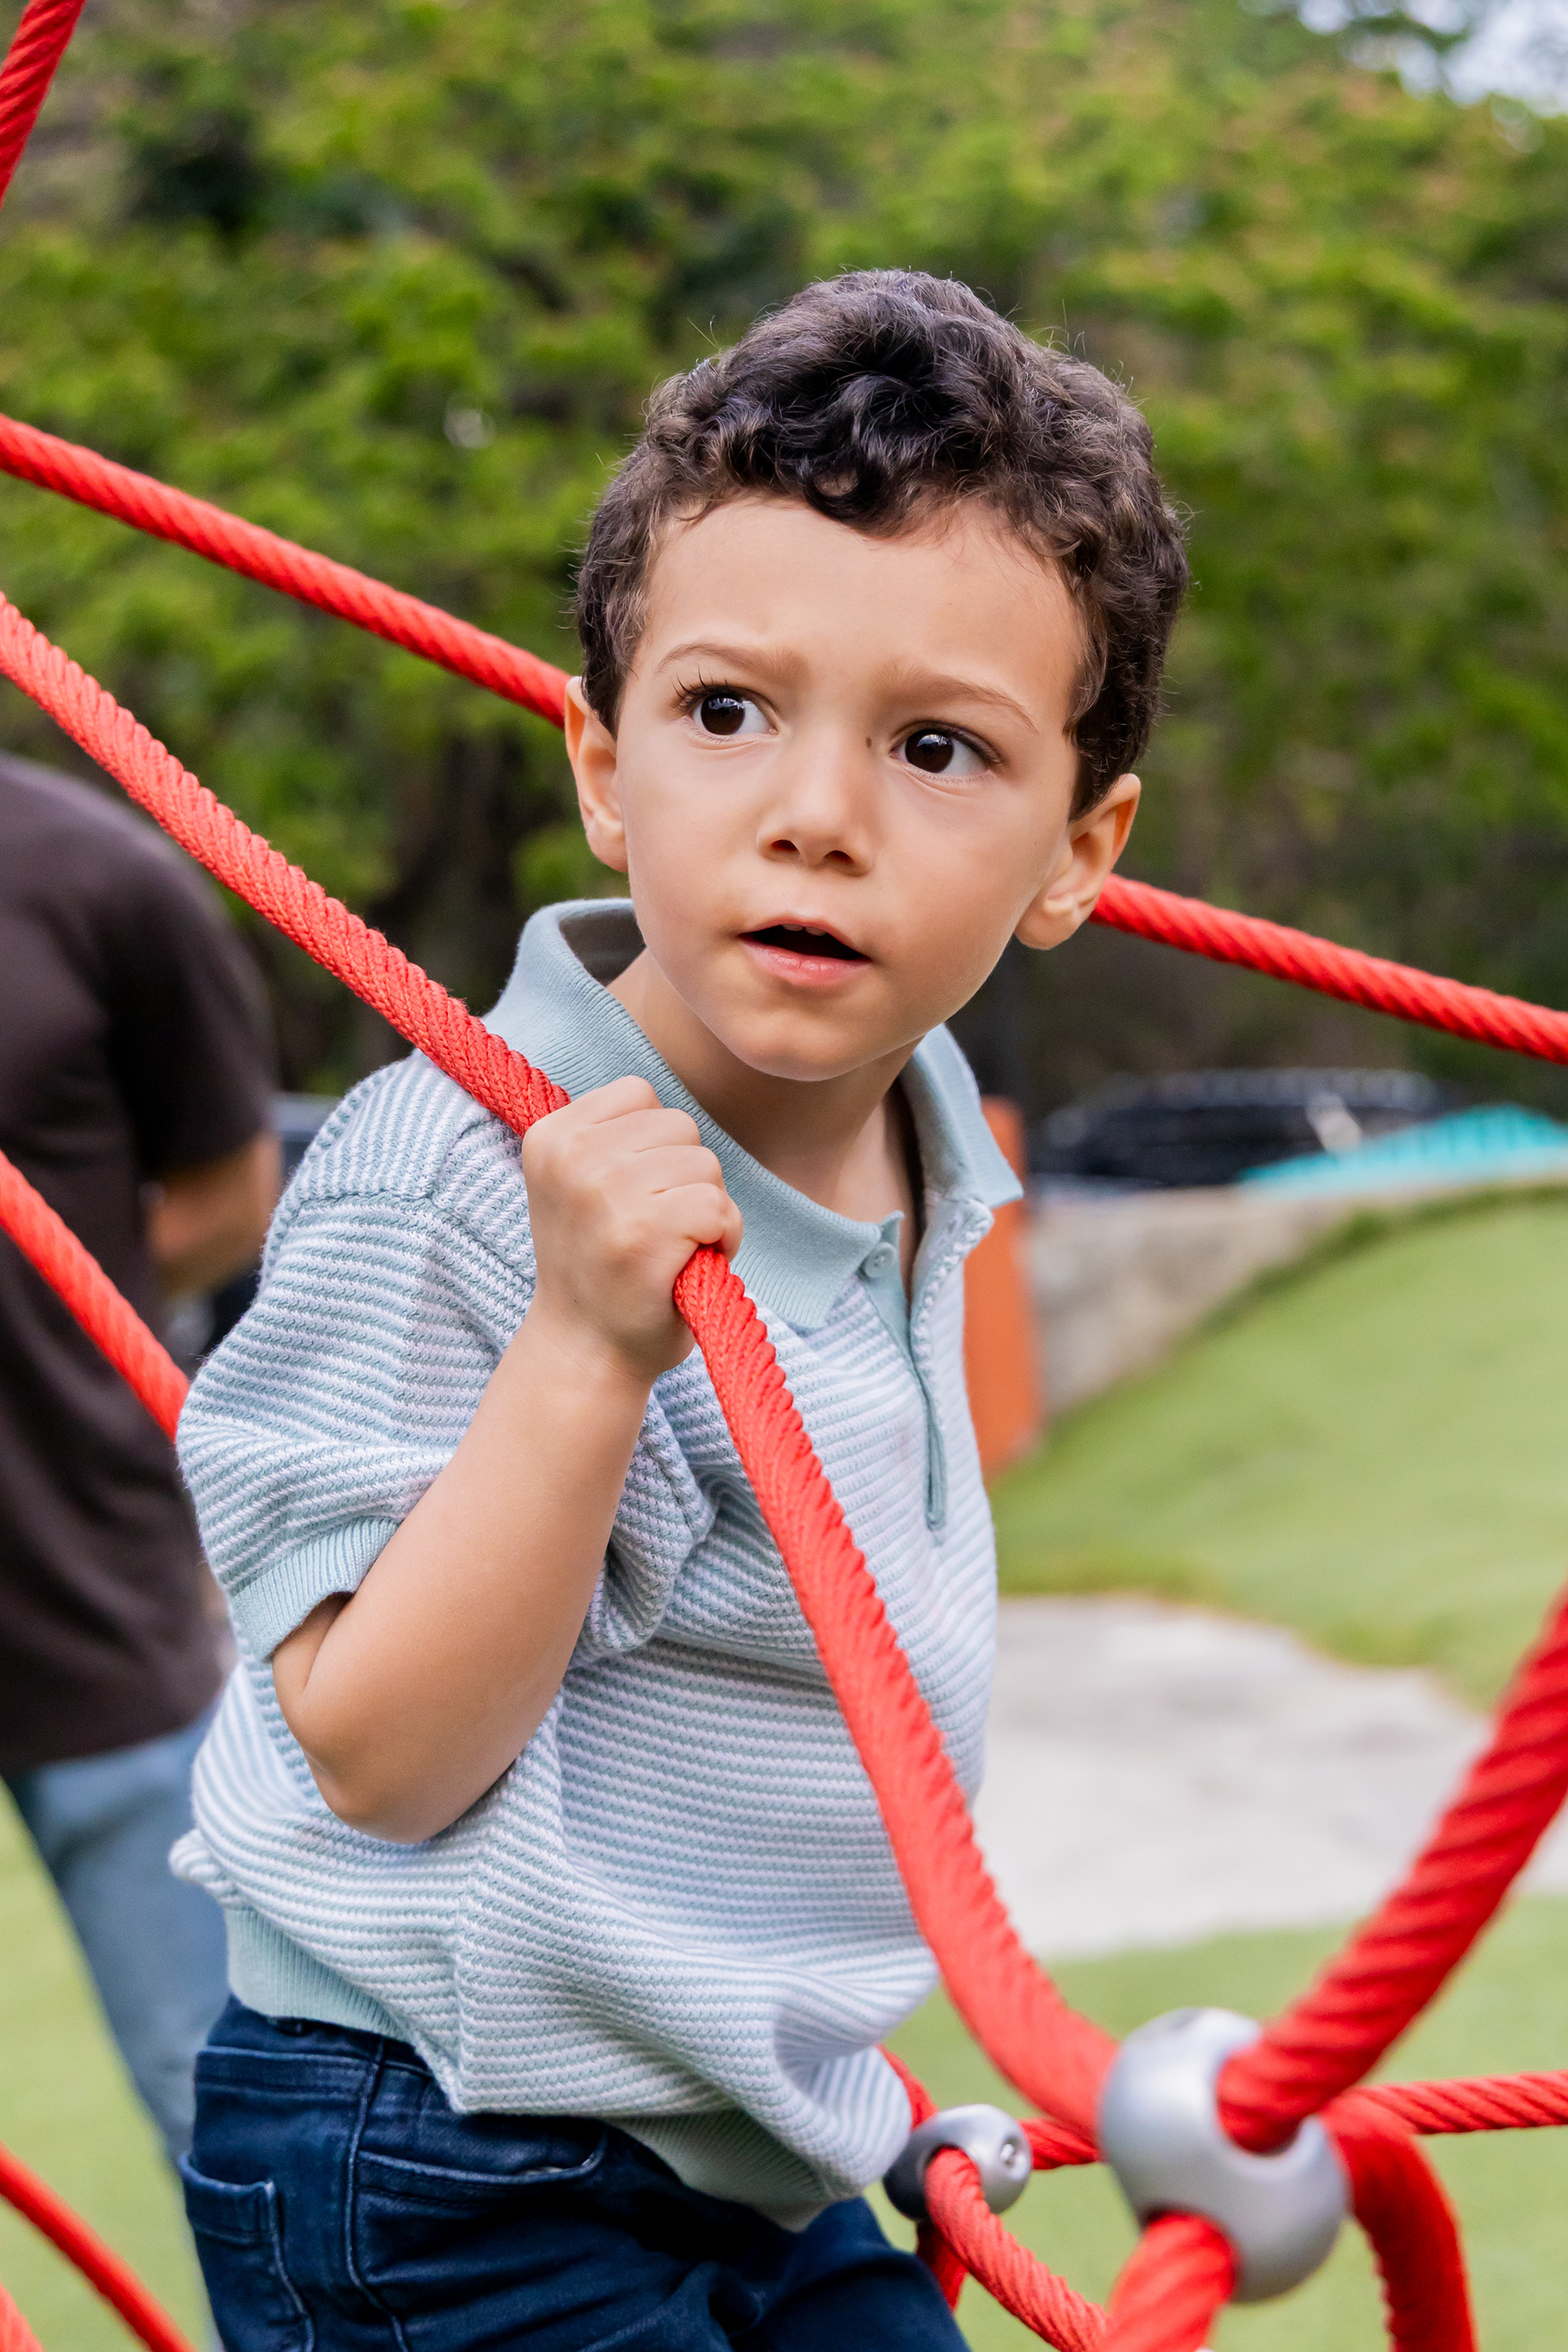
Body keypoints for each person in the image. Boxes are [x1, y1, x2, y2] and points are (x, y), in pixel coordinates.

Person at [172, 270, 1188, 2347]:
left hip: (749, 2146)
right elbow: (371, 1753)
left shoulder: (926, 1138)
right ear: (604, 766)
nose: (816, 813)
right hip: (434, 2150)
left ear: (1079, 852)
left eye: (936, 748)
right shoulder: (453, 1168)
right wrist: (583, 1352)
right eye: (728, 713)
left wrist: (816, 2069)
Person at [0, 747, 279, 2166]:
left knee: (230, 2105)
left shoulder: (98, 878)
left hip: (83, 1585)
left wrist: (55, 1311)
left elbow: (230, 1190)